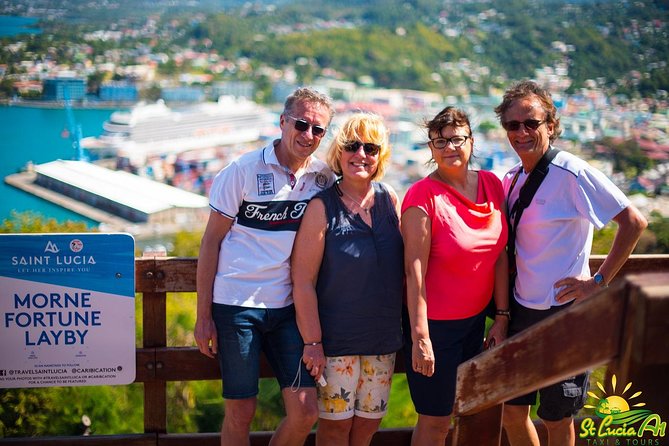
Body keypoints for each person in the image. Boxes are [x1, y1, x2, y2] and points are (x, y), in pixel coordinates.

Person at [496, 80, 648, 446]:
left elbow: (634, 222)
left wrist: (598, 282)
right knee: (512, 412)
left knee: (557, 417)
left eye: (531, 123)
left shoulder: (571, 172)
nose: (521, 132)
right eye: (513, 125)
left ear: (550, 124)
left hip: (562, 312)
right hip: (521, 311)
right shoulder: (512, 179)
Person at [194, 87, 336, 446]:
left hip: (288, 307)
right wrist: (203, 315)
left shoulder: (322, 178)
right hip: (236, 304)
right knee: (241, 412)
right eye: (301, 125)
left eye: (318, 130)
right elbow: (210, 243)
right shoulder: (242, 171)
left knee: (305, 412)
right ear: (283, 122)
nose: (308, 136)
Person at [291, 112, 404, 446]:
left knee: (368, 427)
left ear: (380, 155)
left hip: (382, 340)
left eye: (370, 147)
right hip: (335, 343)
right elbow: (303, 281)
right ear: (338, 153)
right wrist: (313, 342)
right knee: (335, 430)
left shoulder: (389, 199)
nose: (361, 155)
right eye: (352, 146)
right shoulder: (321, 208)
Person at [401, 106, 509, 445]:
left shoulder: (492, 185)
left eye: (457, 139)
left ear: (472, 142)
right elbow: (413, 270)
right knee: (435, 421)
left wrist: (502, 316)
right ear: (431, 149)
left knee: (470, 411)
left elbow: (500, 256)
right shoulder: (422, 195)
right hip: (435, 328)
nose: (449, 147)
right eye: (440, 141)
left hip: (476, 323)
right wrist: (421, 338)